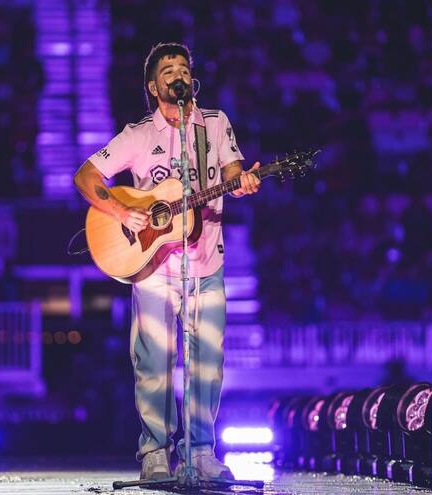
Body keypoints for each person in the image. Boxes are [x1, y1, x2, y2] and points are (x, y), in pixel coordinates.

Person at [73, 42, 260, 480]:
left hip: (206, 264)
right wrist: (122, 212)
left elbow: (232, 172)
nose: (178, 74)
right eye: (167, 70)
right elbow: (86, 175)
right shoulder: (138, 134)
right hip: (154, 268)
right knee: (154, 363)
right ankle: (155, 453)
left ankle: (201, 453)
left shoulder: (215, 124)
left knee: (207, 363)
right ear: (154, 87)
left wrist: (243, 180)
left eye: (183, 68)